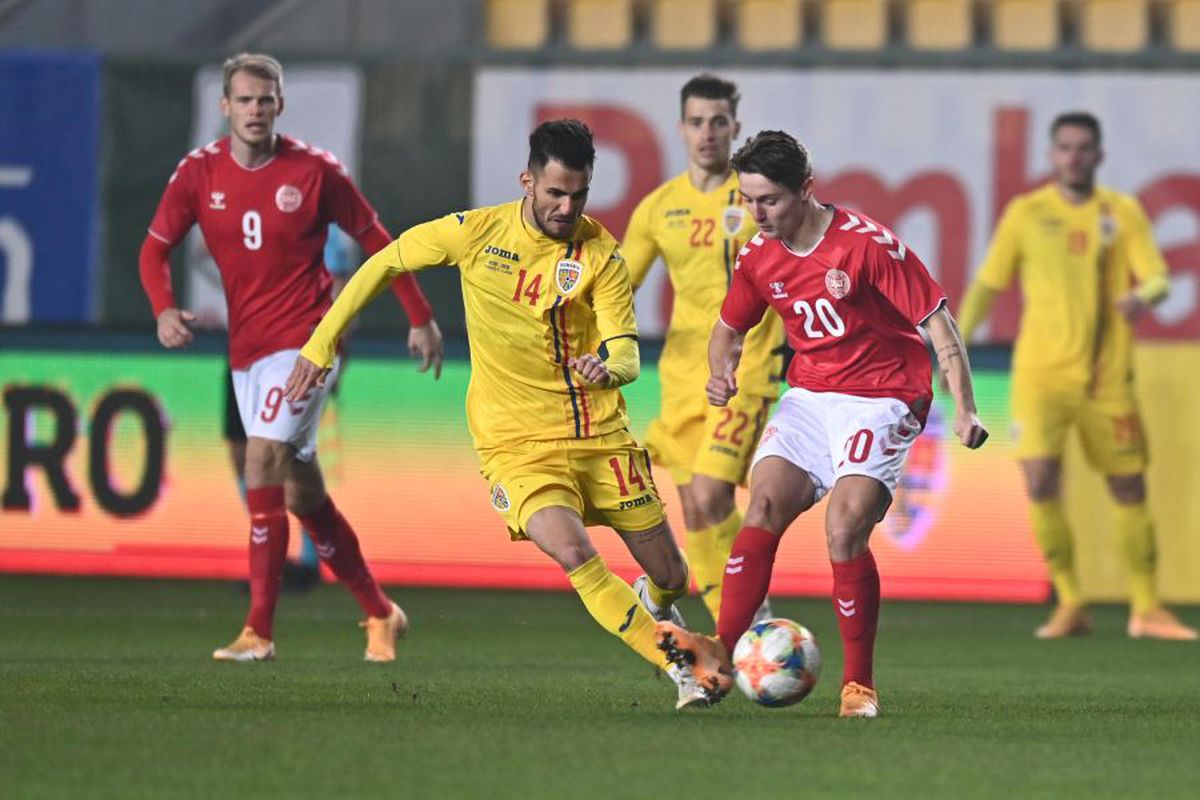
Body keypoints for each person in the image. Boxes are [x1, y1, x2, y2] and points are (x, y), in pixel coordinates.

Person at [286, 119, 710, 710]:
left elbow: (628, 353)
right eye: (555, 192)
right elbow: (385, 261)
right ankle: (682, 662)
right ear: (527, 182)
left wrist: (607, 368)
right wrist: (319, 344)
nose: (567, 206)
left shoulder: (600, 255)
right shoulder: (475, 233)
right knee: (574, 553)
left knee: (672, 575)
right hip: (515, 446)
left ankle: (656, 603)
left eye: (579, 194)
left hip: (599, 437)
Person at [654, 131, 989, 717]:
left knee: (843, 527)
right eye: (748, 199)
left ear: (806, 190)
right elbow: (729, 328)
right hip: (810, 396)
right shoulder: (758, 255)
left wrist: (964, 407)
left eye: (770, 201)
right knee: (761, 507)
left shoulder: (866, 246)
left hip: (883, 396)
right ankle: (721, 659)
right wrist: (720, 373)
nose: (755, 213)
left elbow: (940, 325)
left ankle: (859, 686)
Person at [138, 53, 445, 662]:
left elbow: (379, 242)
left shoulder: (314, 171)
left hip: (310, 341)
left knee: (262, 458)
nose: (256, 110)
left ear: (281, 104)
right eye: (245, 100)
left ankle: (260, 631)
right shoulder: (198, 174)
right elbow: (153, 250)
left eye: (266, 99)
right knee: (303, 495)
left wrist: (419, 316)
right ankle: (381, 613)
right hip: (247, 350)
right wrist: (163, 309)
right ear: (225, 107)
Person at [956, 112, 1196, 641]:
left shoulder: (1122, 212)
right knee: (1040, 480)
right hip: (1040, 378)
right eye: (1065, 147)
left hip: (1106, 379)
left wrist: (1142, 295)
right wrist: (954, 344)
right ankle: (1070, 602)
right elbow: (988, 285)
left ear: (1098, 155)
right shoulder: (1026, 213)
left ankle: (1147, 607)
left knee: (1128, 485)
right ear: (1051, 155)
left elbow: (1157, 276)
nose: (1074, 156)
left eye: (1083, 147)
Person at [622, 74, 784, 627]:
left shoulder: (759, 197)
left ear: (735, 128)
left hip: (748, 371)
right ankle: (736, 635)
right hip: (682, 378)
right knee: (696, 507)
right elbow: (617, 286)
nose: (707, 133)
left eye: (718, 122)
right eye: (697, 122)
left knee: (714, 495)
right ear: (681, 129)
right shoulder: (658, 208)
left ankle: (751, 619)